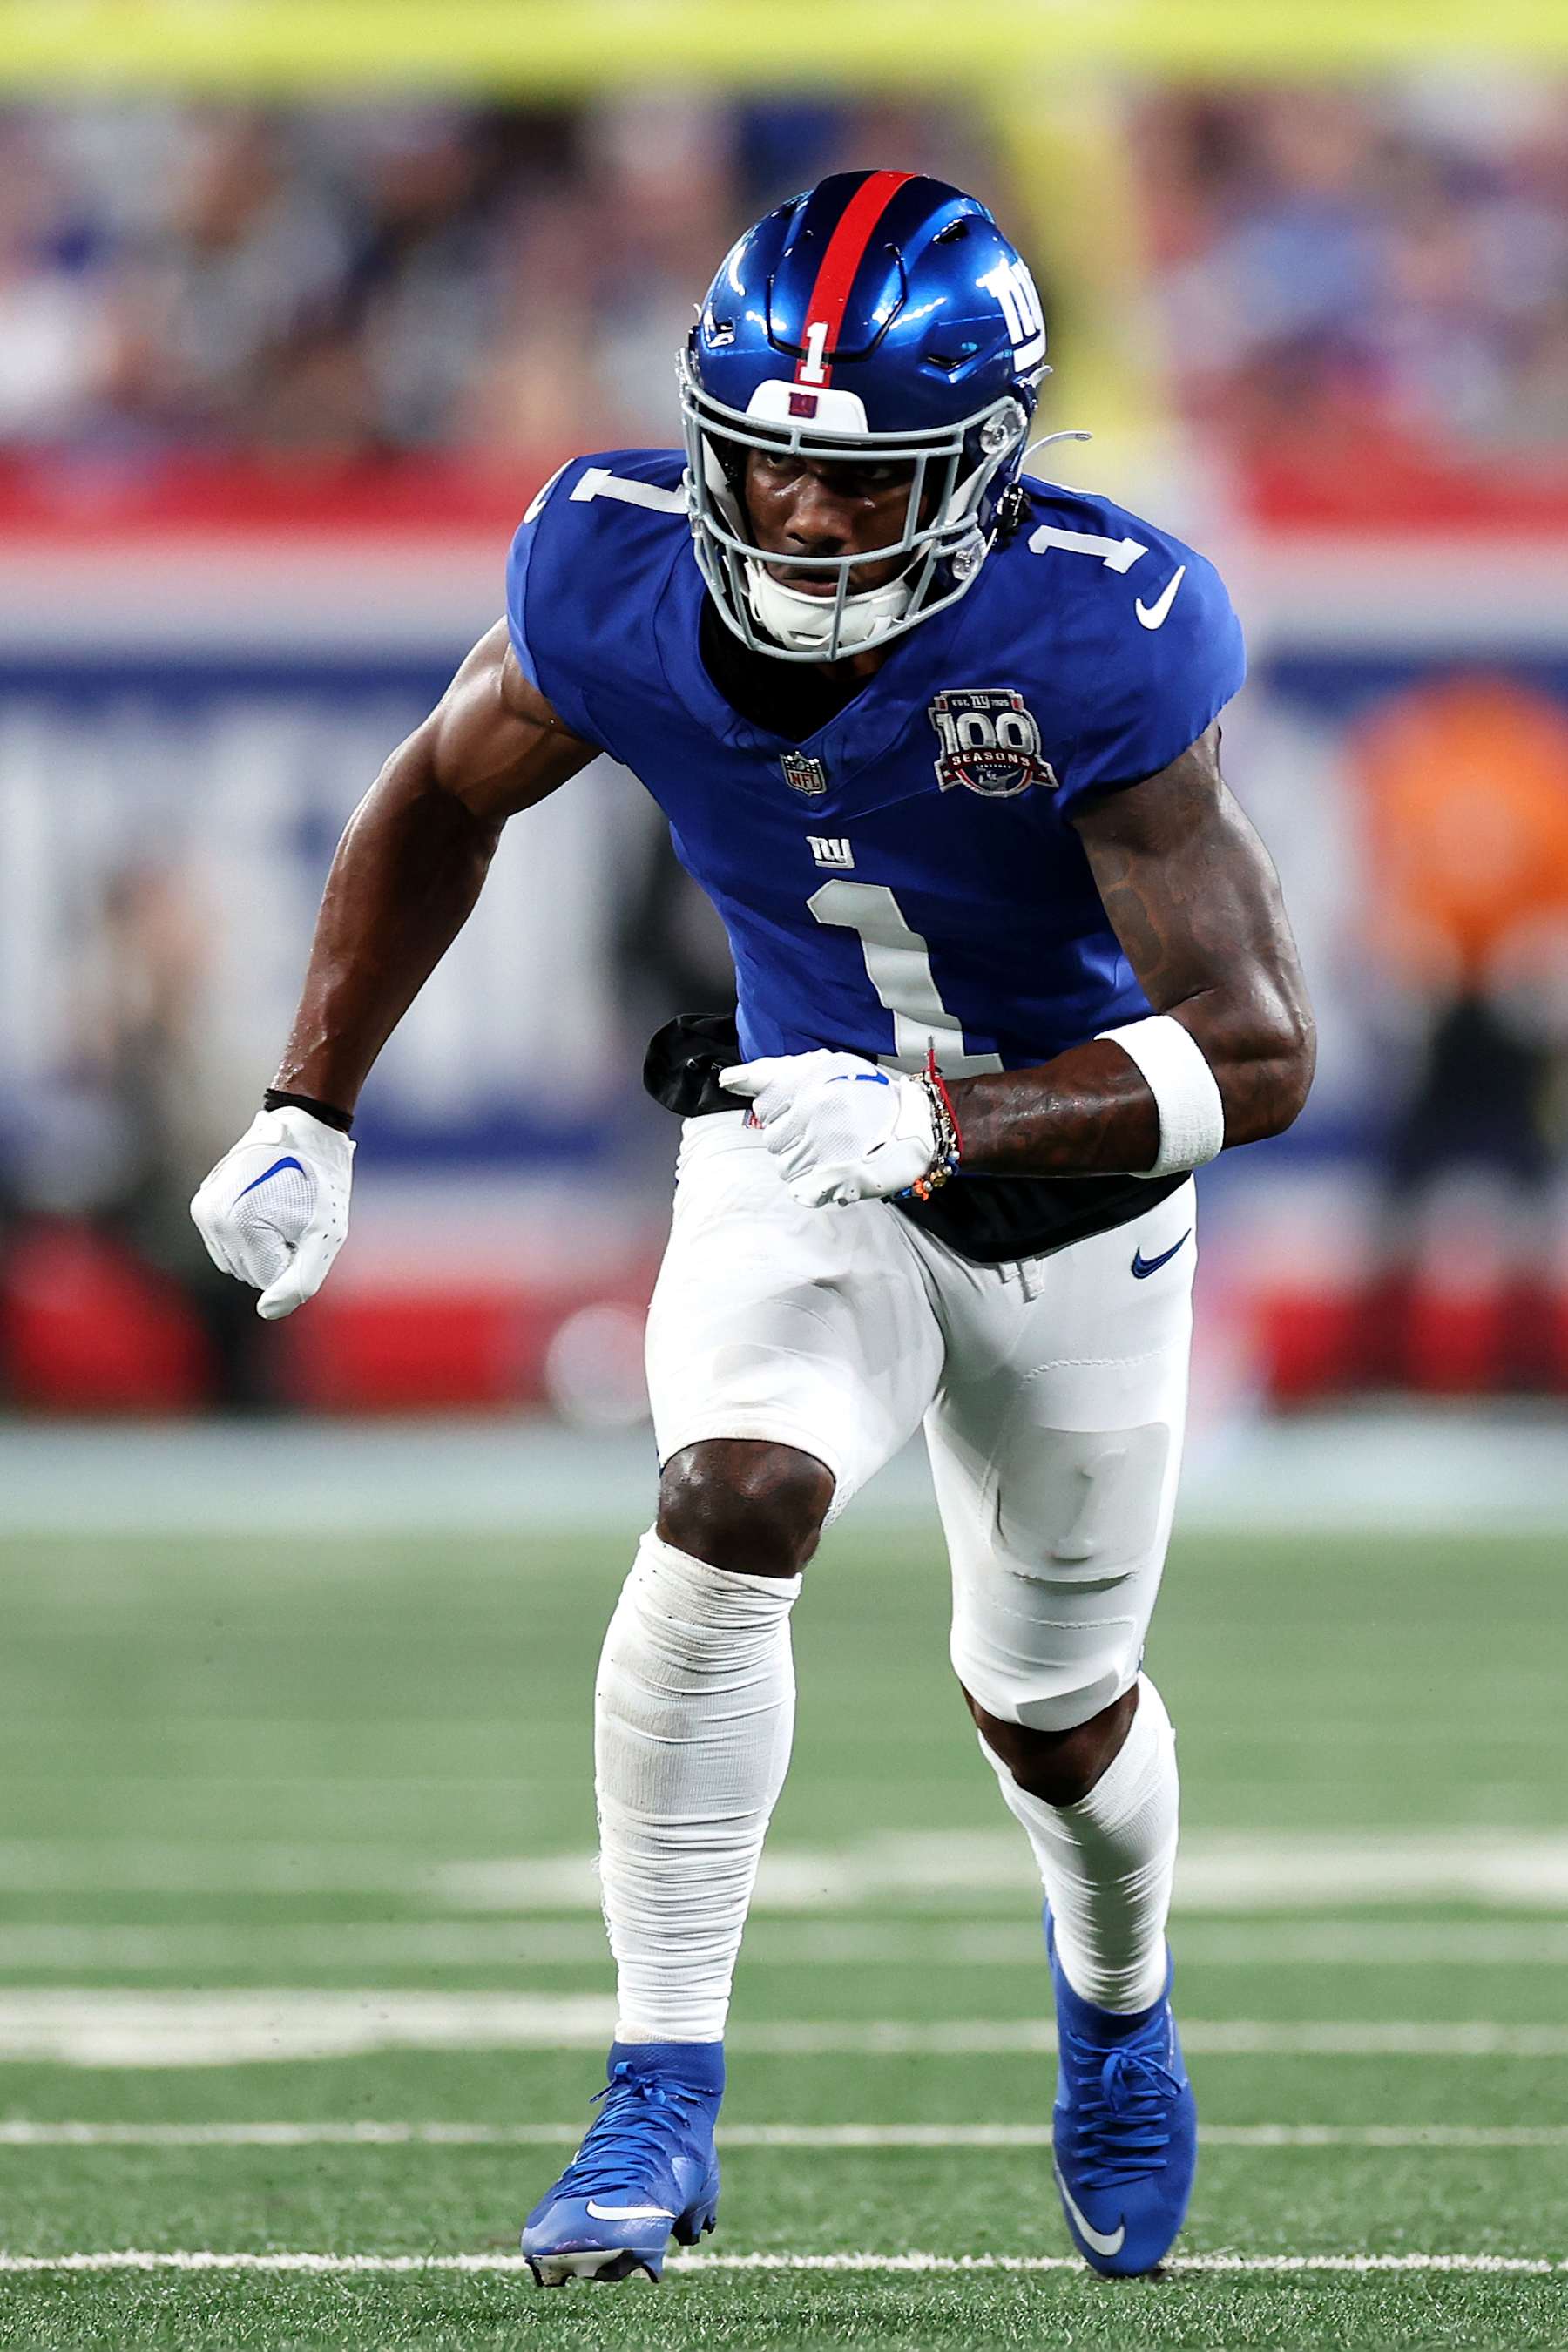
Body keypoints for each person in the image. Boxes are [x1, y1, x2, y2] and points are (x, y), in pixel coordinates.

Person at [191, 171, 1314, 2282]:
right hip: (794, 1150)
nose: (797, 521)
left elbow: (1257, 1056)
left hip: (1074, 1198)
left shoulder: (1097, 626)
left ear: (978, 473)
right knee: (727, 1499)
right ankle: (655, 2097)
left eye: (854, 482)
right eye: (771, 466)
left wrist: (951, 1115)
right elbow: (445, 787)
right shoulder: (608, 565)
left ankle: (1122, 2012)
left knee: (1053, 1717)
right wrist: (306, 1108)